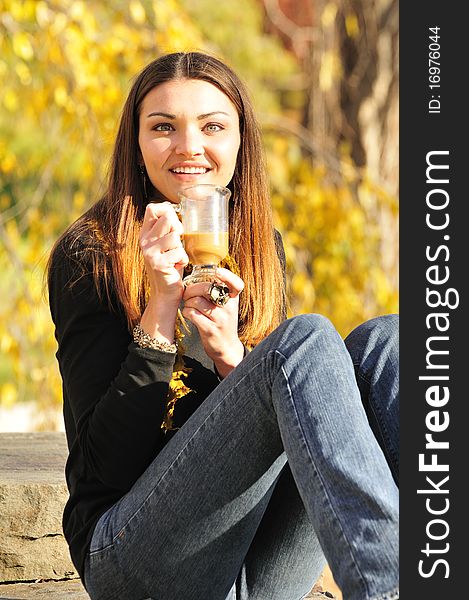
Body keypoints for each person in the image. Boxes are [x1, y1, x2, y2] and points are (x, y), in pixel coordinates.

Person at [47, 51, 399, 600]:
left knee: (390, 344)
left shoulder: (259, 249)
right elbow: (104, 470)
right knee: (302, 340)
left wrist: (234, 359)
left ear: (239, 143)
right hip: (132, 557)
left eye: (212, 126)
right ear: (137, 147)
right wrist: (160, 307)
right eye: (163, 127)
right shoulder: (93, 254)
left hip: (252, 566)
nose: (189, 147)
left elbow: (278, 439)